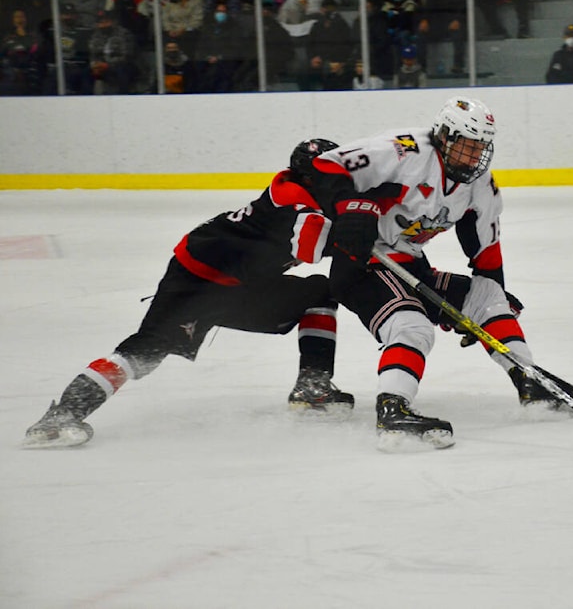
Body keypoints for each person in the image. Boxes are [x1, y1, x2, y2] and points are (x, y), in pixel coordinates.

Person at [23, 139, 354, 449]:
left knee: (318, 292)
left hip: (242, 285)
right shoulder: (296, 205)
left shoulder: (304, 195)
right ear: (311, 177)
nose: (340, 182)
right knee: (147, 349)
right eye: (331, 174)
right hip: (196, 284)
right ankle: (63, 414)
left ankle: (313, 386)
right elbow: (317, 243)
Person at [297, 97, 562, 451]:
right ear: (445, 137)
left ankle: (529, 381)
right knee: (411, 325)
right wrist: (350, 210)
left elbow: (486, 250)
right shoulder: (403, 150)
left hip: (409, 266)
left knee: (487, 296)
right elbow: (324, 165)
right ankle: (393, 408)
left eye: (480, 149)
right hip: (363, 265)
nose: (473, 158)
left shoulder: (480, 184)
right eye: (466, 147)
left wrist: (486, 311)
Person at [88, 9, 139, 94]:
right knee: (86, 72)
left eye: (106, 21)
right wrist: (94, 65)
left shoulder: (124, 34)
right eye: (101, 22)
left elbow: (127, 56)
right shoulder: (95, 36)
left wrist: (108, 65)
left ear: (113, 22)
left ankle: (123, 96)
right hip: (102, 66)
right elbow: (93, 53)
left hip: (123, 65)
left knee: (122, 71)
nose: (104, 25)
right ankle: (86, 100)